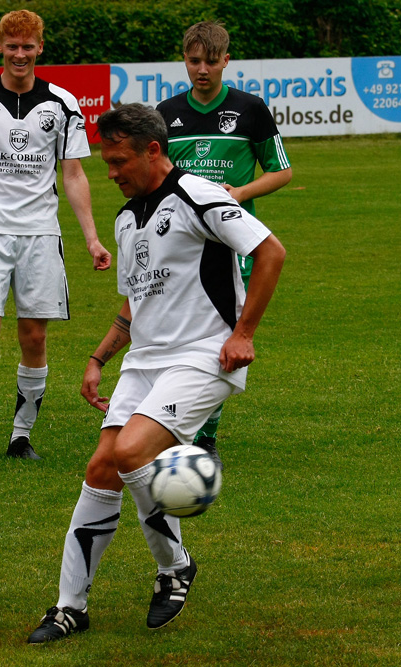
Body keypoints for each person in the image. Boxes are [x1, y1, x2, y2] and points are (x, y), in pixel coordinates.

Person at [26, 104, 285, 643]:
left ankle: (175, 565)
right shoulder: (125, 218)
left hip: (204, 354)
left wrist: (243, 334)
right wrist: (100, 358)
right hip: (145, 360)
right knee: (101, 468)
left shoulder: (200, 194)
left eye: (119, 161)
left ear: (152, 150)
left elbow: (270, 253)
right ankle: (70, 606)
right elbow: (135, 299)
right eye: (105, 162)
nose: (112, 172)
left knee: (129, 453)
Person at [0, 9, 111, 462]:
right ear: (0, 47)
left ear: (40, 48)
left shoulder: (63, 104)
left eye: (28, 46)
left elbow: (73, 175)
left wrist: (91, 238)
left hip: (41, 233)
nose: (20, 54)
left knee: (34, 337)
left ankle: (20, 436)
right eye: (12, 46)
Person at [156, 20, 292, 459]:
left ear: (226, 61)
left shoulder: (251, 109)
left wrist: (239, 193)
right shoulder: (166, 111)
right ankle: (167, 420)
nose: (202, 70)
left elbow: (282, 171)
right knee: (172, 336)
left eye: (211, 62)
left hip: (233, 246)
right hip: (178, 245)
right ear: (184, 60)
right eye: (195, 61)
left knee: (220, 341)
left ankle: (205, 435)